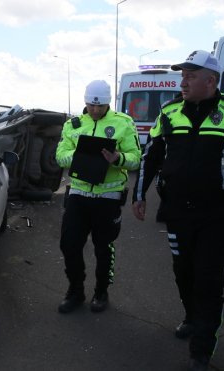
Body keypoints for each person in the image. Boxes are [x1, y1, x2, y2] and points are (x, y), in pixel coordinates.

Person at [131, 50, 224, 371]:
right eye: (183, 75)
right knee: (183, 271)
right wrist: (140, 195)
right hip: (176, 212)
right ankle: (192, 317)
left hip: (215, 214)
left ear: (211, 80)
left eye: (191, 76)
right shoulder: (169, 112)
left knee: (208, 278)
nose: (183, 81)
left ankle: (201, 348)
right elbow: (151, 156)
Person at [55, 79, 141, 314]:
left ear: (108, 103)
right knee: (69, 244)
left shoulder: (124, 123)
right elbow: (60, 156)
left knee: (103, 247)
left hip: (108, 197)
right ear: (85, 102)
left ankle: (101, 291)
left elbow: (135, 158)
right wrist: (81, 153)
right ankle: (75, 290)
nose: (94, 111)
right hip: (79, 194)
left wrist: (118, 158)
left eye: (100, 106)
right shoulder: (72, 125)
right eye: (91, 106)